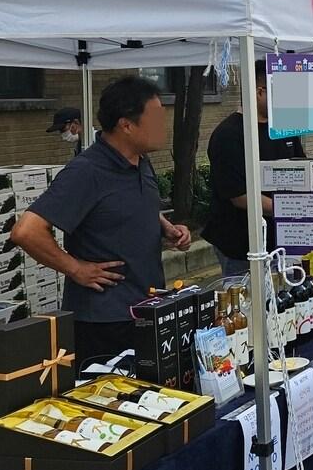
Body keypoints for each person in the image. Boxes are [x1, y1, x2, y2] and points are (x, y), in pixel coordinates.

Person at [13, 76, 192, 368]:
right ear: (126, 125)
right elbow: (26, 231)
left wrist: (165, 227)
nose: (163, 127)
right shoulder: (86, 171)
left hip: (148, 306)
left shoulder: (140, 160)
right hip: (105, 321)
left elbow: (123, 205)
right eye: (155, 118)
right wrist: (75, 268)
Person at [202, 59, 306, 277]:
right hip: (241, 245)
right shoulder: (228, 135)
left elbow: (302, 171)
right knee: (247, 303)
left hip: (284, 240)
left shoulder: (285, 127)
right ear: (260, 92)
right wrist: (295, 210)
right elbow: (240, 196)